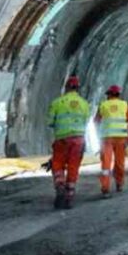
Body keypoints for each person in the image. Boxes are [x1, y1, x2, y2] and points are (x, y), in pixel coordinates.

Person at [47, 75, 90, 209]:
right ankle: (69, 195)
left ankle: (59, 185)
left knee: (57, 163)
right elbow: (86, 120)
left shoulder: (57, 102)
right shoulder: (84, 104)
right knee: (73, 166)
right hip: (78, 139)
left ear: (66, 88)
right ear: (78, 88)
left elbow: (50, 122)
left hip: (62, 139)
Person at [95, 84, 128, 196]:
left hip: (106, 139)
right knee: (119, 163)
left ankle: (105, 188)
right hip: (121, 138)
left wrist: (101, 133)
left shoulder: (103, 105)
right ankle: (119, 184)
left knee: (106, 164)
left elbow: (96, 121)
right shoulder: (124, 105)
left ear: (109, 95)